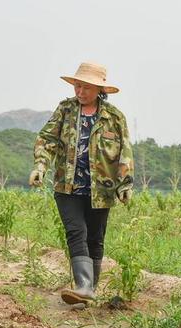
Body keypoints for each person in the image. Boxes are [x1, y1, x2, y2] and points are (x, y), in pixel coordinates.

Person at [29, 62, 133, 306]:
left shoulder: (114, 117)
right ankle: (84, 286)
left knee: (95, 238)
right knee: (76, 232)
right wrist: (40, 166)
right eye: (77, 86)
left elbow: (124, 152)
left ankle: (87, 292)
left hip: (101, 190)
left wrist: (124, 183)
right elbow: (47, 139)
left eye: (86, 87)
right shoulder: (65, 110)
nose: (80, 92)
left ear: (99, 89)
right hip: (68, 187)